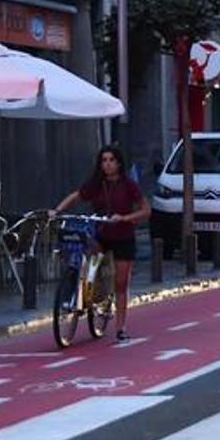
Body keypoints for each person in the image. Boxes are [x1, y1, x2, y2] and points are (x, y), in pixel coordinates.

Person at [53, 145, 150, 342]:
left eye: (111, 160)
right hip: (101, 233)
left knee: (121, 283)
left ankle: (120, 327)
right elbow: (76, 196)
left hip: (123, 236)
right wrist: (57, 211)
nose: (107, 164)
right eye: (104, 160)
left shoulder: (129, 185)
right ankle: (87, 293)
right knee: (88, 259)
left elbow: (145, 210)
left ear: (119, 163)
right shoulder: (96, 184)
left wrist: (124, 218)